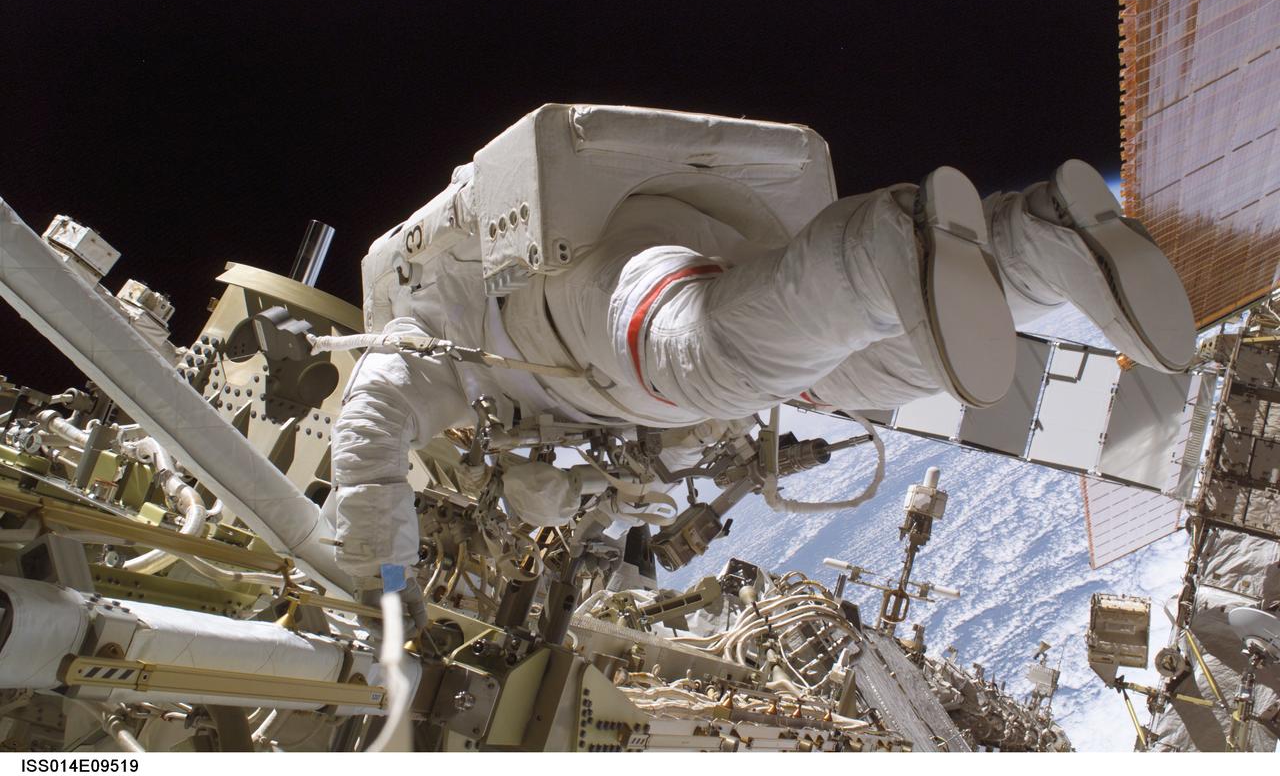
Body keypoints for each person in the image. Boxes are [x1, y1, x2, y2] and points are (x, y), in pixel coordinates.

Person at [329, 122, 1195, 583]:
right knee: (853, 368)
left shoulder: (424, 347)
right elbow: (625, 474)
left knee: (699, 356)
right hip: (688, 266)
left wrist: (376, 541)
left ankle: (882, 243)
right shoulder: (521, 432)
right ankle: (1039, 244)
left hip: (569, 291)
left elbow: (374, 408)